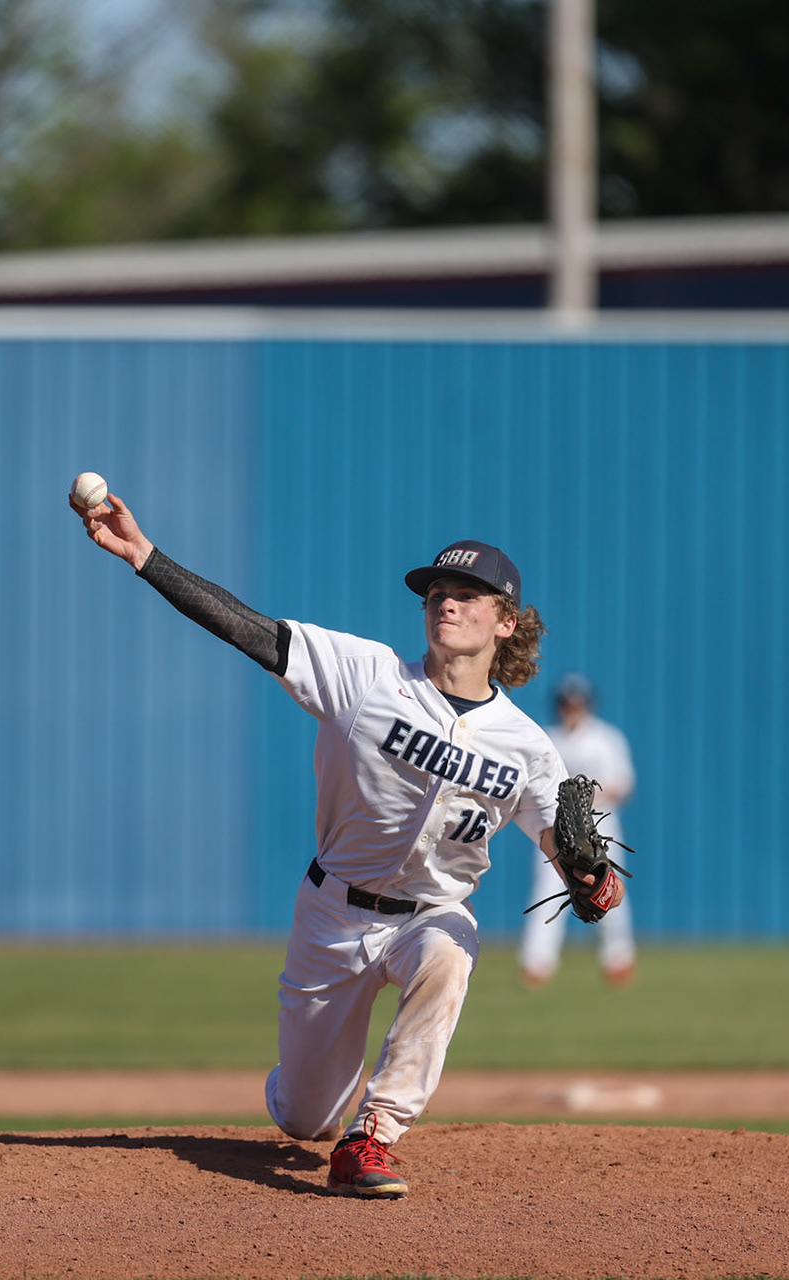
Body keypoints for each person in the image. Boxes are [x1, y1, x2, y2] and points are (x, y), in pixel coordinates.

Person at [73, 487, 607, 1198]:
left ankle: (374, 1136)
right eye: (436, 592)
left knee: (450, 954)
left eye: (467, 595)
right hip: (333, 915)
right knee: (305, 1116)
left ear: (506, 622)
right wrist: (145, 556)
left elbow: (581, 872)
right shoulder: (365, 675)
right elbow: (250, 631)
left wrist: (593, 880)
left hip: (429, 915)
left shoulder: (530, 750)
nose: (445, 603)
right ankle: (325, 1107)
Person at [518, 672, 638, 988]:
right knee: (547, 889)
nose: (571, 708)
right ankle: (537, 963)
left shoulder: (606, 738)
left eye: (577, 703)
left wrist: (586, 796)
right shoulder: (548, 738)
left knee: (607, 888)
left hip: (600, 825)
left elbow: (623, 785)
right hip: (557, 827)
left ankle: (618, 959)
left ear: (587, 704)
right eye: (566, 703)